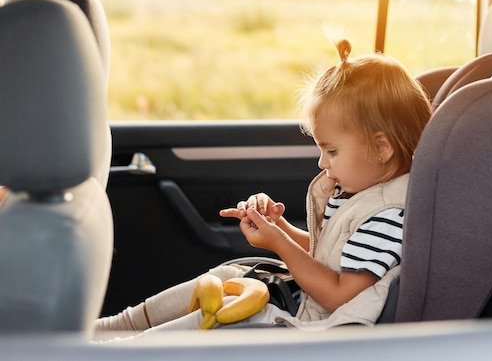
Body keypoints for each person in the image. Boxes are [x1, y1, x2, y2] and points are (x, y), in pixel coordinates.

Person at [95, 38, 432, 334]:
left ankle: (125, 349)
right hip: (298, 300)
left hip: (308, 326)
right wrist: (278, 227)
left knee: (221, 317)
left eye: (331, 151)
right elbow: (327, 252)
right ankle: (111, 328)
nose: (322, 162)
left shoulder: (389, 217)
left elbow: (339, 292)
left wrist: (280, 243)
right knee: (226, 275)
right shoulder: (358, 192)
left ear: (382, 148)